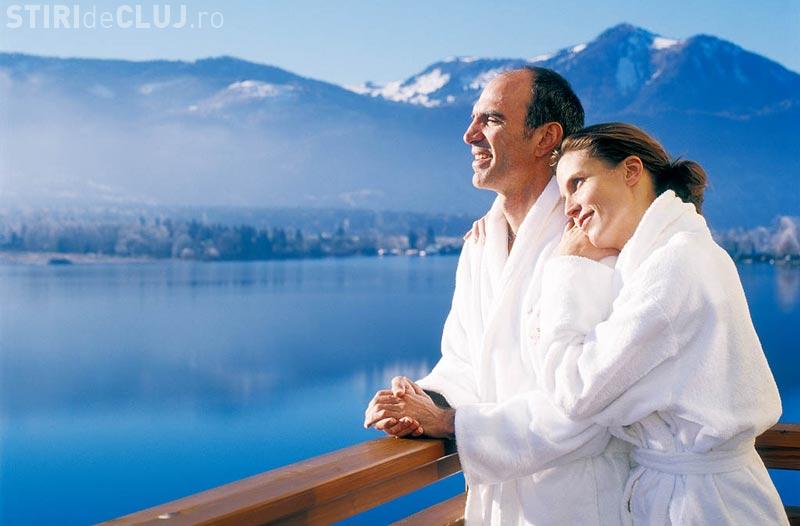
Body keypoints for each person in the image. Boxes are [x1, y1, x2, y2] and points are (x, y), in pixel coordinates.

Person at [364, 68, 630, 525]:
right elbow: (465, 362)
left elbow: (593, 402)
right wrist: (420, 402)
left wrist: (451, 424)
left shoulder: (593, 238)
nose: (469, 135)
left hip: (581, 505)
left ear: (546, 138)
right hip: (499, 507)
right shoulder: (481, 243)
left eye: (491, 120)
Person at [530, 122, 787, 524]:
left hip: (704, 506)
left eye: (577, 183)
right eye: (564, 196)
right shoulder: (679, 252)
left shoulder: (674, 265)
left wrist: (569, 268)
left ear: (631, 171)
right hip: (701, 493)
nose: (570, 209)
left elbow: (576, 391)